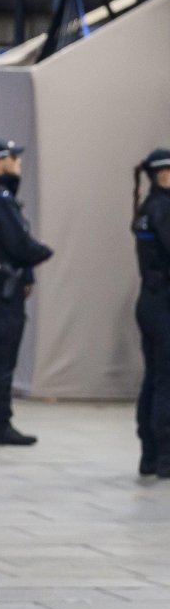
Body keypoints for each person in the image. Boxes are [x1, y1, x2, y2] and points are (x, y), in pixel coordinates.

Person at [0, 139, 53, 446]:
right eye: (13, 157)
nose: (18, 162)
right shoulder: (0, 199)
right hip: (0, 293)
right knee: (0, 357)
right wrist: (43, 253)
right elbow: (19, 244)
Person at [133, 147, 170, 479]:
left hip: (150, 301)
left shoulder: (148, 206)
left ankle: (149, 455)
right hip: (163, 304)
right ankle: (164, 458)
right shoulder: (163, 208)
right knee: (165, 380)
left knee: (155, 378)